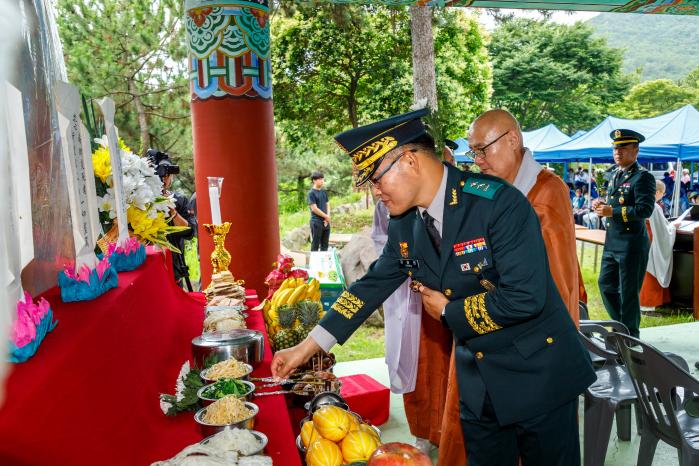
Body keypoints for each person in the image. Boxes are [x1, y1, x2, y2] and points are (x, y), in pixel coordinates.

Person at [272, 108, 595, 465]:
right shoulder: (405, 224)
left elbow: (525, 298)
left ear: (409, 161)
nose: (376, 192)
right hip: (479, 377)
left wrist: (448, 311)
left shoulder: (496, 203)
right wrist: (306, 347)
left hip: (539, 374)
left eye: (377, 179)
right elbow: (370, 288)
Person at [437, 109, 586, 465]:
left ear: (513, 141)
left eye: (483, 150)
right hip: (489, 338)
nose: (478, 160)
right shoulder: (485, 190)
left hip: (536, 345)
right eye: (472, 153)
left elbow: (550, 273)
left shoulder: (547, 190)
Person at [593, 129, 656, 337]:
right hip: (612, 242)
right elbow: (612, 201)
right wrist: (600, 203)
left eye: (623, 147)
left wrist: (613, 211)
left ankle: (630, 338)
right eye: (615, 148)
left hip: (631, 244)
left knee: (628, 294)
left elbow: (644, 210)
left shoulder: (643, 177)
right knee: (605, 285)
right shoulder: (613, 174)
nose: (617, 152)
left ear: (635, 150)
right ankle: (621, 327)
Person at [147, 149, 197, 289]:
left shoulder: (179, 200)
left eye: (167, 174)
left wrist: (170, 208)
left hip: (174, 268)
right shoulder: (141, 200)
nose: (164, 178)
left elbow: (190, 232)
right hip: (148, 268)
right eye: (161, 173)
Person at [640, 180, 675, 309]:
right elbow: (663, 231)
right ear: (658, 192)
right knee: (651, 270)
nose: (663, 196)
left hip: (641, 241)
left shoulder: (641, 201)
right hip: (651, 241)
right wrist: (673, 228)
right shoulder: (654, 206)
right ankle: (648, 304)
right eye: (663, 194)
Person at [307, 171, 330, 252]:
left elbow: (327, 204)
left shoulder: (324, 192)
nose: (322, 181)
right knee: (315, 245)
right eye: (320, 179)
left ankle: (323, 264)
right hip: (316, 222)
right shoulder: (311, 193)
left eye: (322, 179)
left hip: (326, 221)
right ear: (314, 180)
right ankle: (314, 264)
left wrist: (328, 217)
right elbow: (314, 208)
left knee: (325, 245)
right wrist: (326, 216)